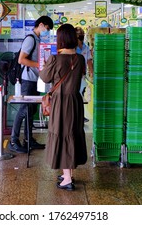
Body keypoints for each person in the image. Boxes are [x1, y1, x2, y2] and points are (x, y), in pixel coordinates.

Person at [39, 23, 88, 191]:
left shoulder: (55, 58)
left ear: (60, 40)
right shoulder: (80, 58)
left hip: (61, 103)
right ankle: (69, 173)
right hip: (75, 100)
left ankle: (67, 178)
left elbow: (45, 77)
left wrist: (47, 65)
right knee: (72, 134)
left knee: (63, 135)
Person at [8, 15, 54, 153]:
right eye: (47, 28)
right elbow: (22, 60)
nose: (47, 31)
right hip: (27, 79)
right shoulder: (30, 39)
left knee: (31, 111)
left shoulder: (37, 39)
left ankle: (28, 139)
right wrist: (39, 65)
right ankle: (13, 140)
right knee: (24, 109)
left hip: (34, 79)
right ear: (40, 24)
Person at [75, 27, 93, 122]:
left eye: (81, 33)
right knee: (75, 97)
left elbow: (89, 60)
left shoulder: (85, 47)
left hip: (82, 76)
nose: (80, 35)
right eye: (78, 33)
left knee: (81, 97)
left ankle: (81, 116)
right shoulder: (73, 48)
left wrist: (91, 71)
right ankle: (76, 116)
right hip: (74, 77)